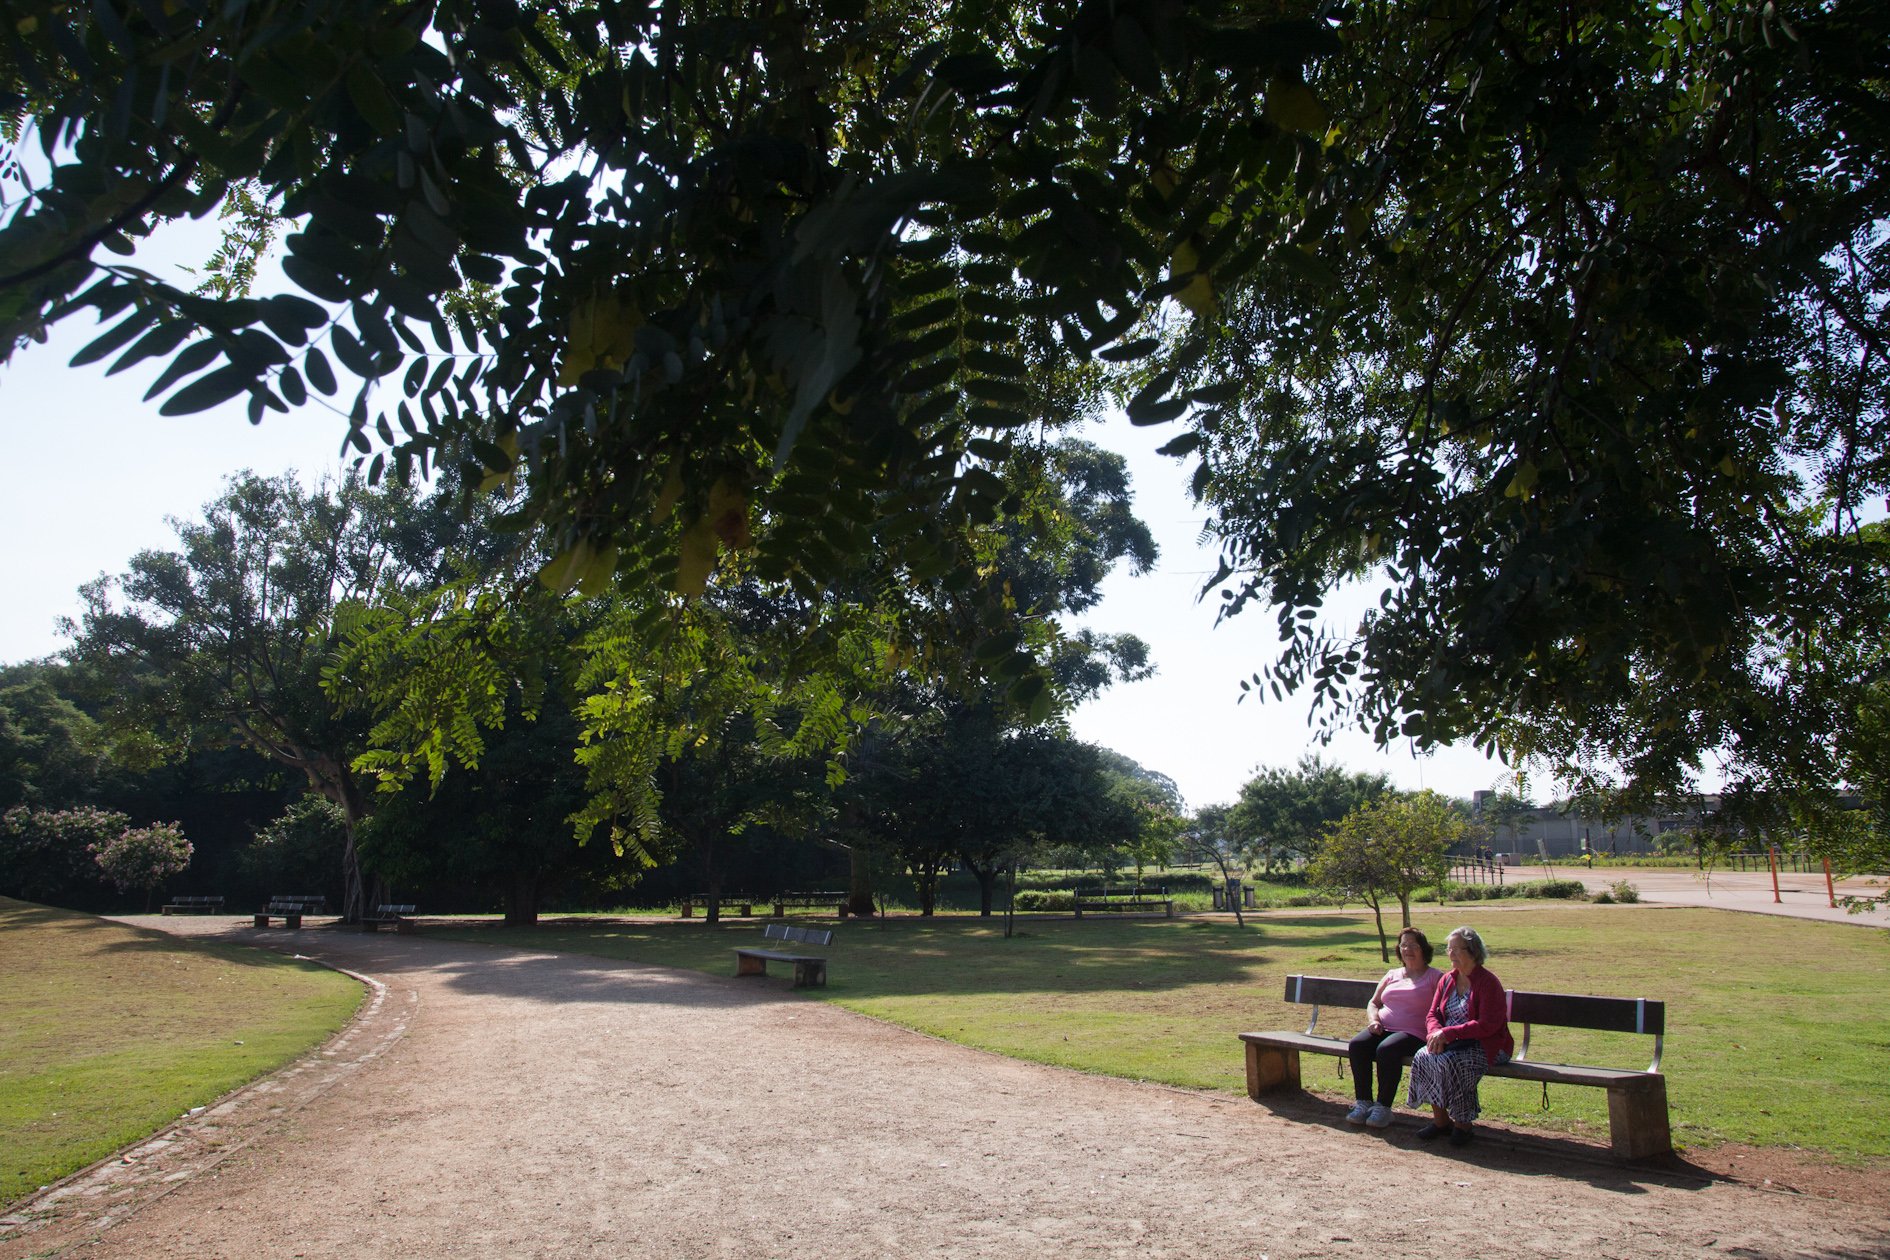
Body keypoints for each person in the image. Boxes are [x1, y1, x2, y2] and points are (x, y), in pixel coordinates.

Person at [1406, 925, 1514, 1148]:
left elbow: (1488, 1025)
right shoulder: (1448, 980)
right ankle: (1440, 1121)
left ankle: (1463, 1125)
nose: (1451, 954)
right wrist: (1435, 1032)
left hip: (1487, 1044)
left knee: (1453, 1062)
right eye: (1448, 949)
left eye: (1457, 949)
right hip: (1452, 1041)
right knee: (1423, 1056)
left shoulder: (1488, 982)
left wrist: (1448, 1033)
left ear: (1473, 952)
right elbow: (1433, 1013)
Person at [1346, 927, 1442, 1129]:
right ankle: (1363, 1102)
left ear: (1424, 949)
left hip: (1414, 1033)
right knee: (1357, 1045)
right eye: (1404, 945)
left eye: (1413, 945)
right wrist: (1374, 1020)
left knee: (1387, 1049)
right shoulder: (1392, 974)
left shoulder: (1434, 977)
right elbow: (1374, 1002)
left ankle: (1383, 1107)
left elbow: (1444, 1008)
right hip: (1383, 1027)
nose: (1408, 949)